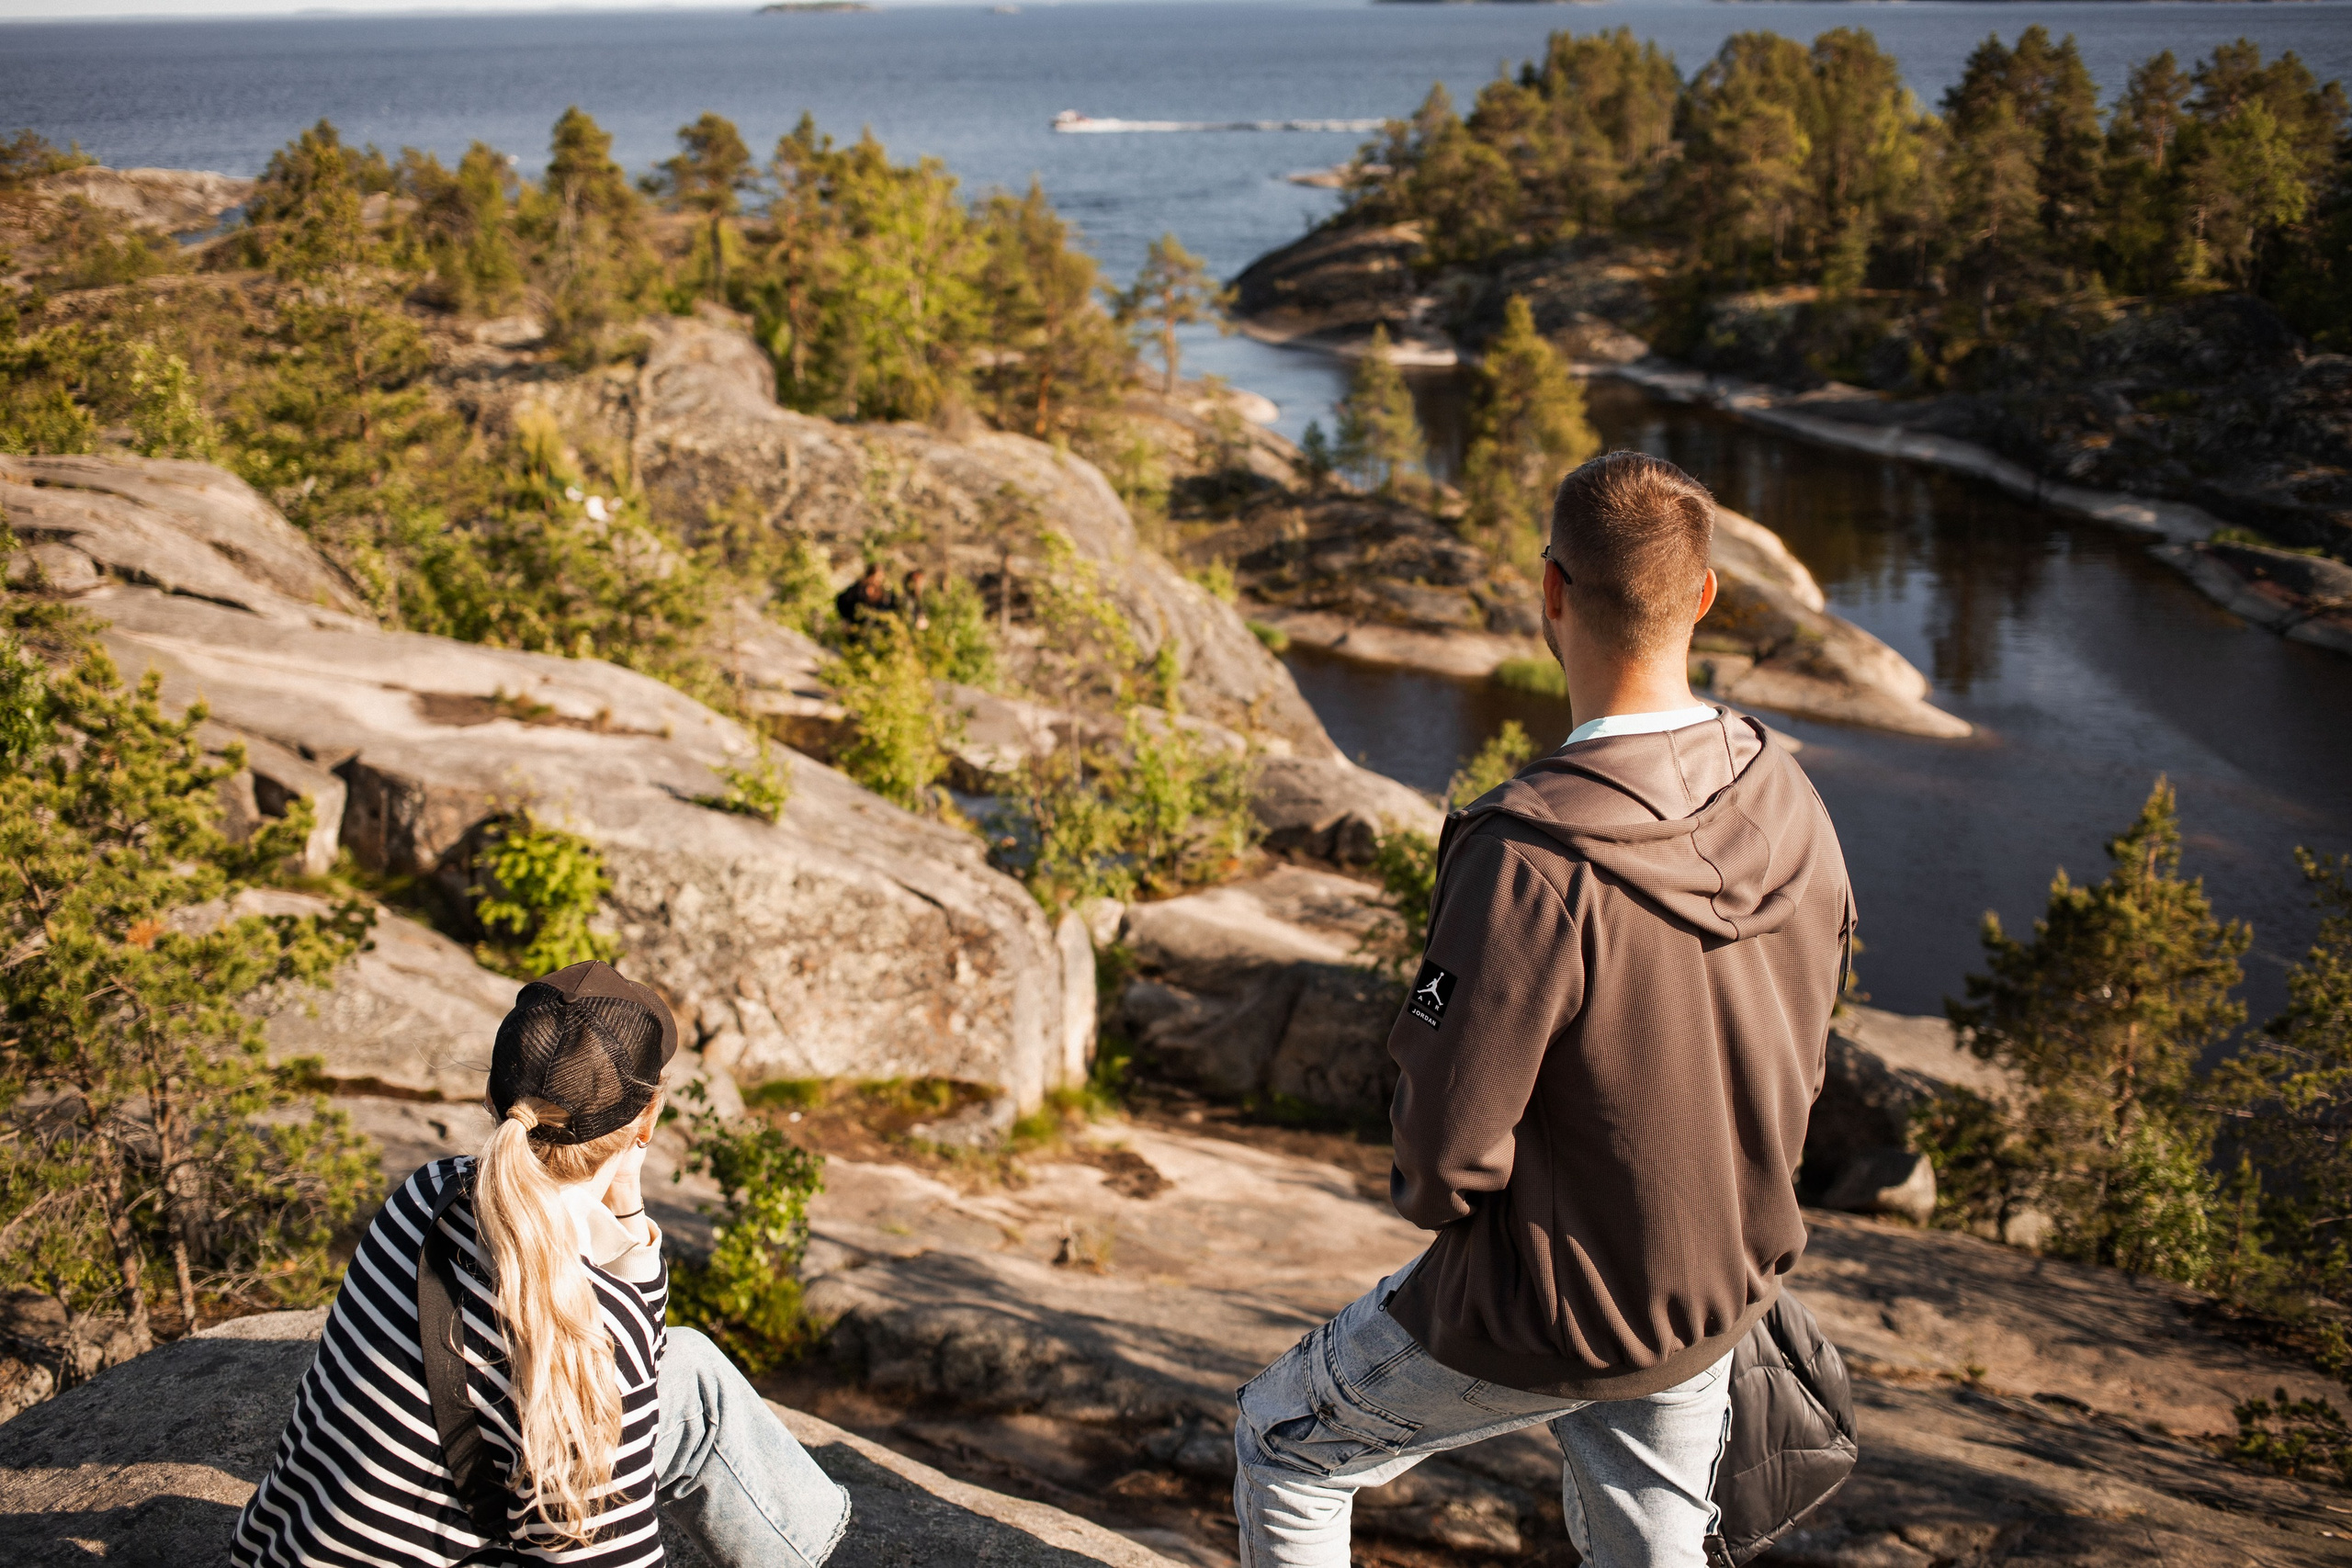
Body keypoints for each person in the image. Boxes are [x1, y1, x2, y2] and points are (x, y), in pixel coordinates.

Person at [1231, 452, 1854, 1568]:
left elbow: (1445, 1136)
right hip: (1716, 1284)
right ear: (1705, 595)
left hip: (1551, 1304)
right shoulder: (1778, 784)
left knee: (1284, 1447)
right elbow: (1811, 1026)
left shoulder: (1525, 854)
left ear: (1551, 592)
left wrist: (1441, 1207)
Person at [232, 961, 851, 1568]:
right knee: (684, 1389)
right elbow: (623, 1349)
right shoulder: (600, 1342)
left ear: (493, 1095)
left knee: (689, 1366)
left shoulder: (427, 1193)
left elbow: (645, 1345)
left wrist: (625, 1198)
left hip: (281, 1550)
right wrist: (629, 1163)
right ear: (648, 1119)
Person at [833, 560, 898, 632]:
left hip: (879, 627)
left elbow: (893, 607)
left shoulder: (886, 591)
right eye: (876, 577)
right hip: (858, 626)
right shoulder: (858, 589)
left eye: (880, 577)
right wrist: (847, 621)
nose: (878, 580)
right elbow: (842, 601)